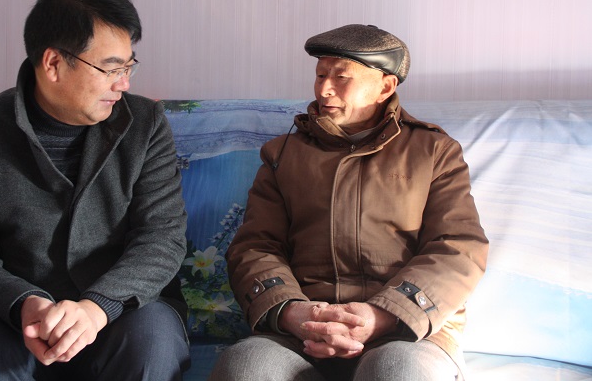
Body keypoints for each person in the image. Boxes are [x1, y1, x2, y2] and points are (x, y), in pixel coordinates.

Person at [0, 0, 190, 381]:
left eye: (128, 66)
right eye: (111, 68)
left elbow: (162, 238)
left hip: (124, 312)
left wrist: (97, 307)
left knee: (153, 342)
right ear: (53, 64)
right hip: (16, 321)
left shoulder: (146, 124)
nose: (123, 83)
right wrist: (25, 303)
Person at [209, 24, 489, 381]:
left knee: (397, 372)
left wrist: (383, 315)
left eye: (341, 77)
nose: (324, 89)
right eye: (320, 75)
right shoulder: (283, 154)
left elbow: (459, 247)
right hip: (302, 330)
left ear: (385, 86)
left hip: (407, 331)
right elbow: (255, 245)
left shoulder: (434, 152)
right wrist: (294, 313)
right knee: (245, 368)